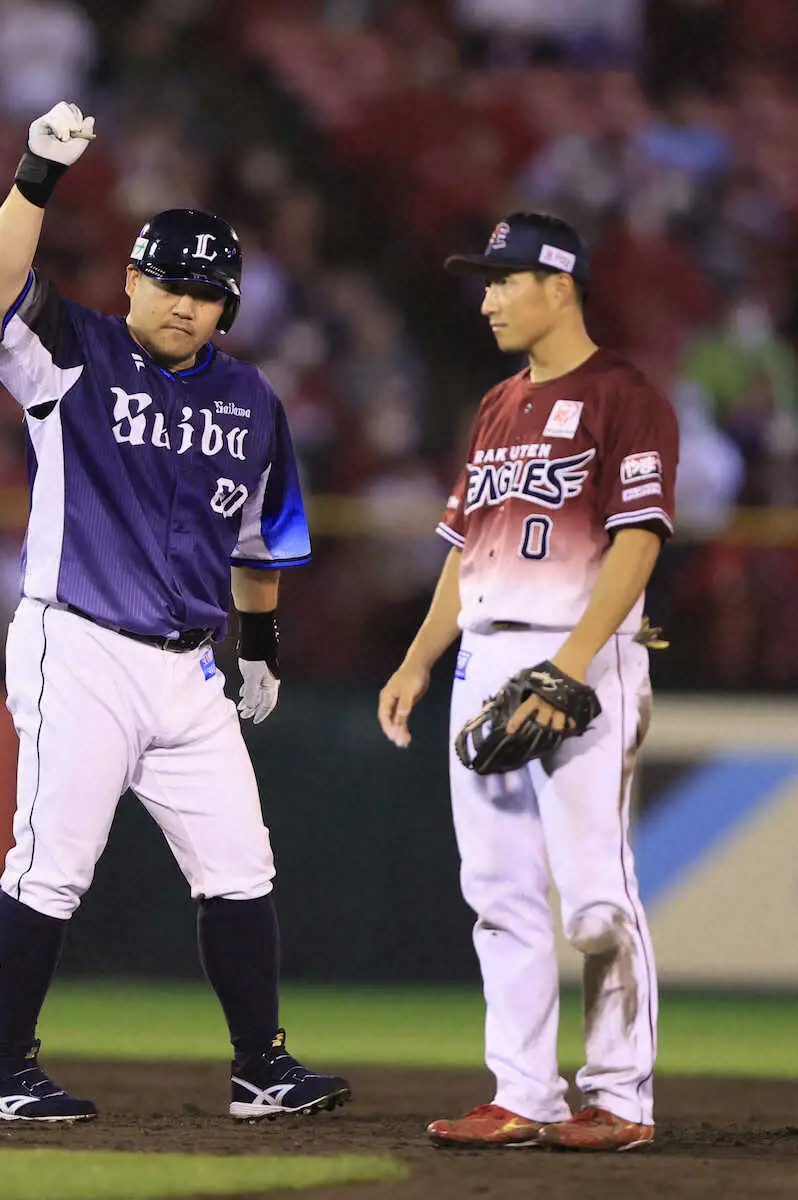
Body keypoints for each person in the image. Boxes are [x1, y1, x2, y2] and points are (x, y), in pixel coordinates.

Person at [0, 101, 350, 1123]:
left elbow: (262, 545)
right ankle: (2, 1073)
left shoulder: (253, 402)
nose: (186, 305)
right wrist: (37, 176)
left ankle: (261, 1066)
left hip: (190, 666)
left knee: (242, 867)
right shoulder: (77, 352)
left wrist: (258, 648)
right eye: (171, 283)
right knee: (52, 866)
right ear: (133, 279)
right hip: (78, 641)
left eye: (208, 293)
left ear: (231, 306)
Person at [378, 213, 678, 1151]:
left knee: (596, 898)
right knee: (498, 891)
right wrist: (419, 659)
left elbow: (637, 547)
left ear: (561, 287)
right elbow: (464, 555)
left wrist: (572, 665)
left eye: (505, 279)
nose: (488, 297)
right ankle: (524, 1093)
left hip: (581, 653)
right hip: (485, 651)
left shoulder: (625, 396)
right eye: (485, 280)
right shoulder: (498, 404)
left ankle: (622, 1097)